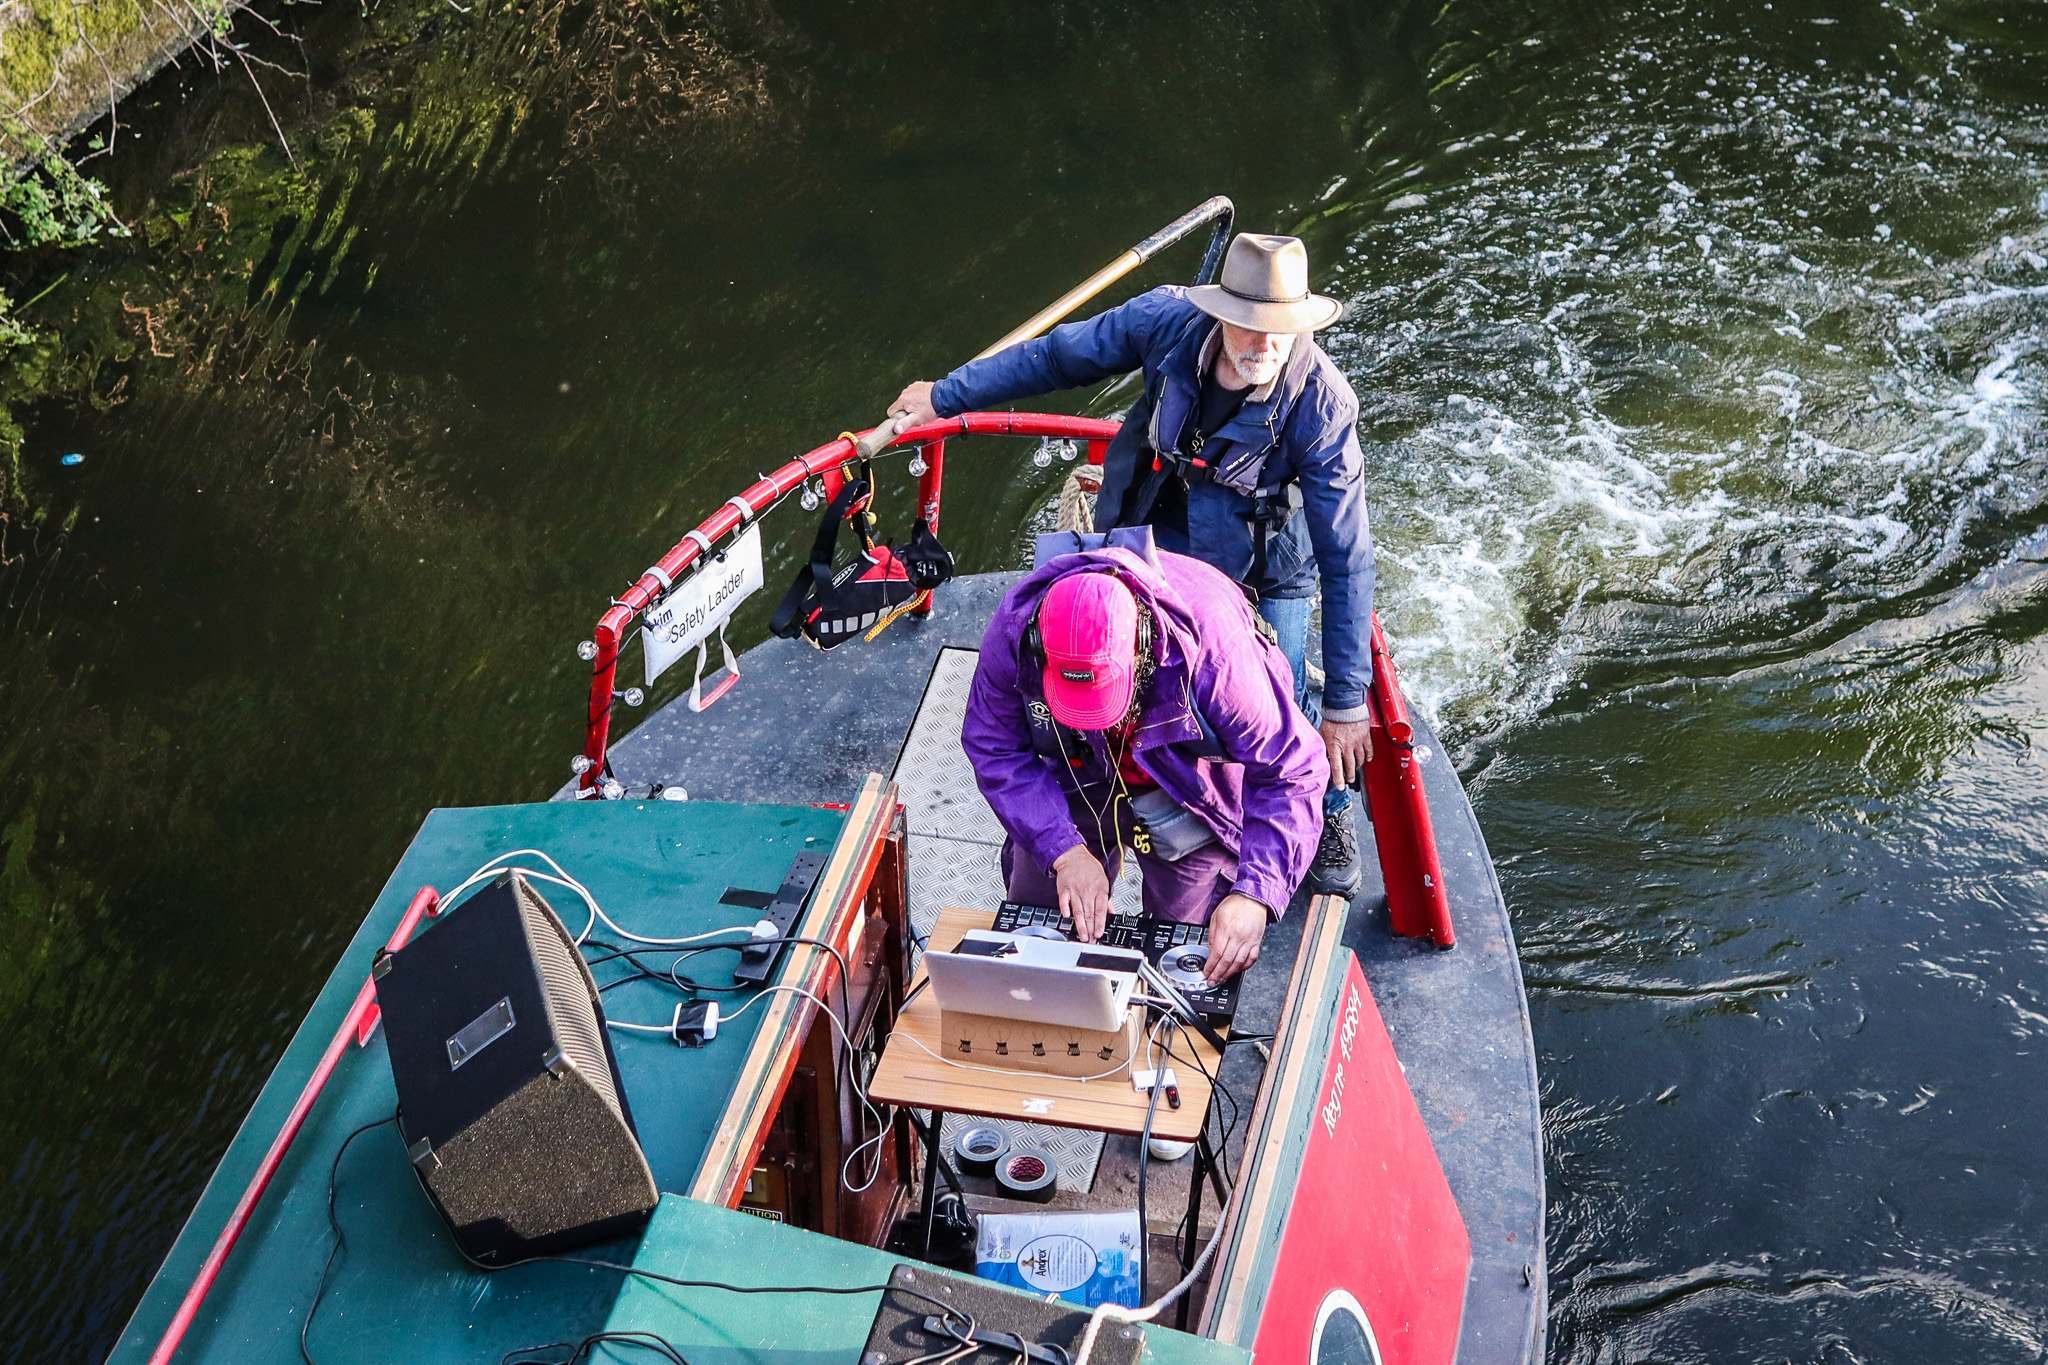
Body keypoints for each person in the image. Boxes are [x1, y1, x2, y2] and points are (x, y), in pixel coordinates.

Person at [890, 232, 1374, 895]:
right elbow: (1059, 355)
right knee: (1112, 663)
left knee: (1281, 695)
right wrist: (947, 396)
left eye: (1282, 330)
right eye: (1249, 326)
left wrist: (1347, 699)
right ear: (1219, 313)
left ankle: (1328, 811)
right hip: (1150, 522)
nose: (1264, 343)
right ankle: (1109, 789)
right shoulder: (1164, 322)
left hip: (1263, 561)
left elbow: (1346, 555)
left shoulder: (1322, 404)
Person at [962, 539, 1329, 983]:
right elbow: (994, 744)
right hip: (1076, 765)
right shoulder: (1017, 631)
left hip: (1187, 782)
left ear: (1142, 648)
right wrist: (1064, 852)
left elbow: (1294, 771)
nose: (1097, 716)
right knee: (1039, 926)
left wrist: (1256, 893)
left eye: (1103, 700)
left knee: (1184, 956)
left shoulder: (1220, 659)